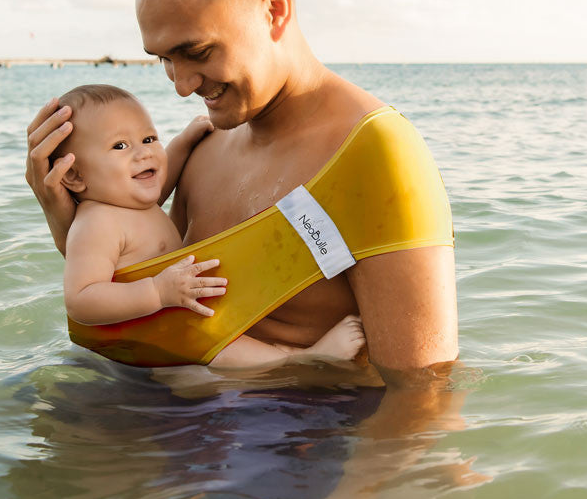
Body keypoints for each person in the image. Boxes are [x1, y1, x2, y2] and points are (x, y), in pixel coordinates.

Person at [26, 0, 457, 384]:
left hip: (286, 431)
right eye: (166, 60)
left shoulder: (377, 154)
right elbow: (146, 292)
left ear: (274, 10)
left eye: (198, 52)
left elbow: (421, 394)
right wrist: (65, 215)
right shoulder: (205, 146)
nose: (182, 86)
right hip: (164, 408)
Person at [52, 82, 367, 367]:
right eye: (120, 146)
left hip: (173, 323)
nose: (144, 153)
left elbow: (161, 178)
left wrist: (183, 143)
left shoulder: (127, 201)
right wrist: (156, 292)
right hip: (153, 334)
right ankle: (300, 358)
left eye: (149, 138)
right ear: (75, 176)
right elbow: (81, 299)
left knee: (214, 338)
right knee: (219, 351)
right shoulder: (96, 223)